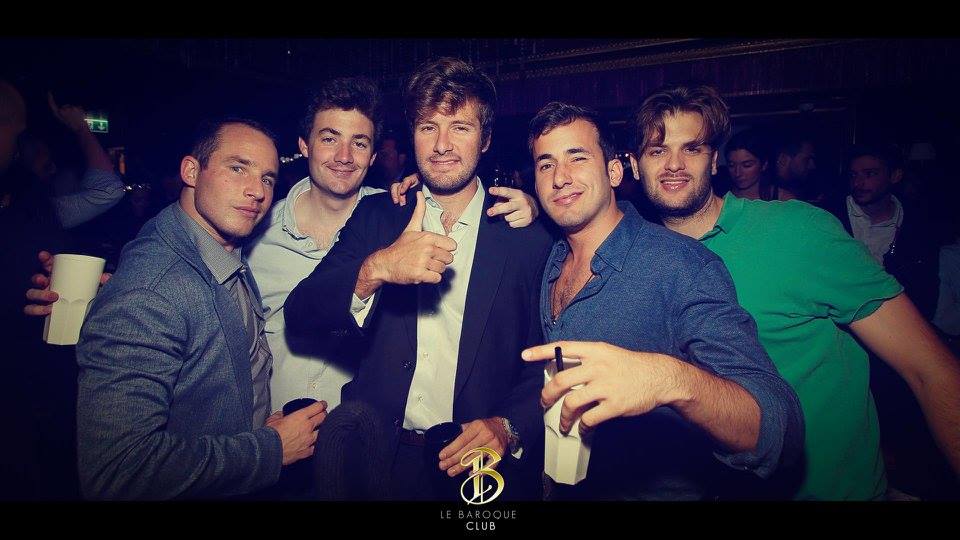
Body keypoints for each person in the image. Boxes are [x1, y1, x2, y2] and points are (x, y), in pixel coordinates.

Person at [626, 84, 960, 500]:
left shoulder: (799, 231)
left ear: (713, 161)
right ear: (635, 166)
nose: (674, 164)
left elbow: (930, 369)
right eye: (657, 151)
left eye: (691, 148)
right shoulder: (637, 259)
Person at [284, 58, 553, 500]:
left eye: (460, 128)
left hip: (478, 466)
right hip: (377, 462)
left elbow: (548, 359)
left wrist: (508, 425)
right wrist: (376, 269)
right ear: (412, 135)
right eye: (429, 127)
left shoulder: (526, 237)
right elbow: (300, 313)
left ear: (485, 139)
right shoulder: (377, 216)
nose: (442, 145)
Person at [519, 102, 802, 500]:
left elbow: (780, 429)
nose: (560, 178)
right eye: (546, 164)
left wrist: (668, 379)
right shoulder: (549, 256)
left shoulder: (682, 265)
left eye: (577, 158)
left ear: (614, 172)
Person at [75, 117, 326, 500]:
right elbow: (118, 472)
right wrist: (271, 449)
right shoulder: (151, 291)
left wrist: (261, 429)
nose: (257, 191)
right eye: (238, 168)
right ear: (191, 171)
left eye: (267, 178)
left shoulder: (220, 248)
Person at [724, 128, 775, 200]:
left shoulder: (784, 200)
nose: (738, 173)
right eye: (731, 165)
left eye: (747, 165)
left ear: (764, 165)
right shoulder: (722, 198)